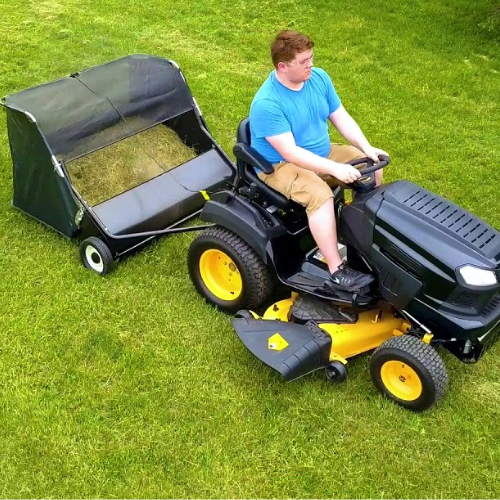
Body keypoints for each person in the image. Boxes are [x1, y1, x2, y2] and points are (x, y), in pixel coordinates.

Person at [249, 30, 388, 293]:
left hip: (321, 152)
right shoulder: (267, 103)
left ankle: (363, 238)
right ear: (283, 66)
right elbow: (291, 153)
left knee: (370, 170)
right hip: (280, 165)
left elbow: (341, 117)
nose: (310, 65)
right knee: (320, 196)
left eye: (311, 58)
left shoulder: (319, 78)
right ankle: (337, 270)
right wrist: (335, 168)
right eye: (303, 62)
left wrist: (367, 148)